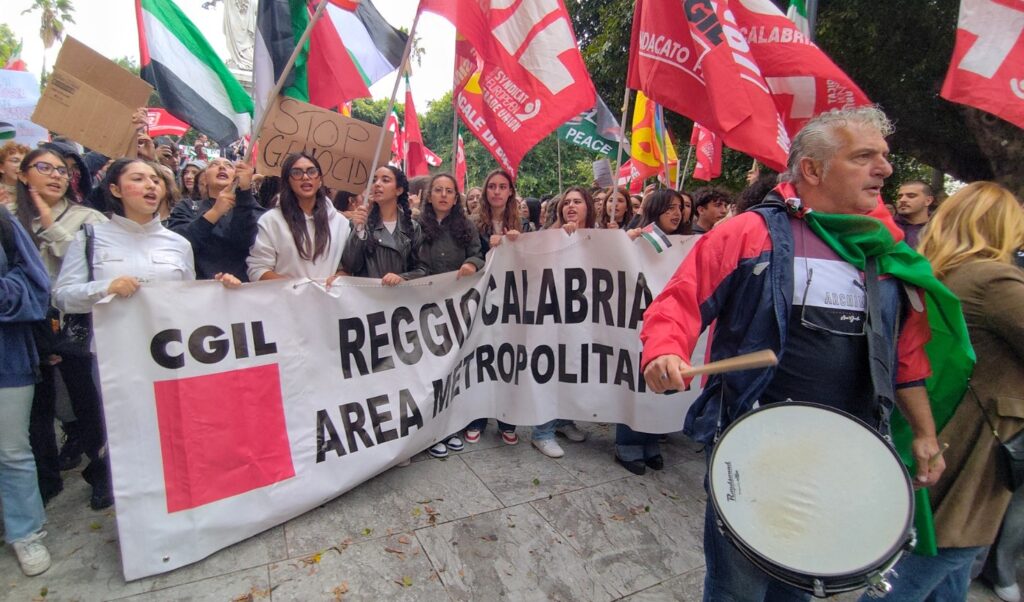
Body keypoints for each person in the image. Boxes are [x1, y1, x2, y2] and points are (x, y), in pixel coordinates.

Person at [640, 107, 946, 602]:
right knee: (737, 588)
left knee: (804, 583)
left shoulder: (888, 253)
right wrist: (663, 352)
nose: (885, 169)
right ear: (812, 169)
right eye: (864, 157)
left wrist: (926, 435)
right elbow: (679, 303)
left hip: (845, 452)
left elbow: (905, 359)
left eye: (884, 156)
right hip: (751, 445)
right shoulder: (748, 233)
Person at [864, 182, 1024, 602]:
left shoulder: (942, 268)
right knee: (942, 554)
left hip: (944, 427)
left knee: (945, 567)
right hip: (975, 443)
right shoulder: (994, 279)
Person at [53, 159, 240, 509]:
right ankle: (133, 501)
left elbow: (188, 300)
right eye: (138, 179)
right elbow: (62, 296)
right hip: (116, 357)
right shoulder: (90, 237)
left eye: (155, 179)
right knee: (125, 430)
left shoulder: (178, 243)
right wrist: (104, 288)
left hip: (169, 356)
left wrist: (219, 289)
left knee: (173, 428)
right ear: (114, 189)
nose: (151, 186)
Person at [14, 147, 108, 506]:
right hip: (21, 328)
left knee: (88, 404)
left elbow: (89, 266)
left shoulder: (88, 219)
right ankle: (41, 479)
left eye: (62, 171)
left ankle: (99, 470)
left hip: (71, 327)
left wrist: (49, 224)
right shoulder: (10, 218)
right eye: (45, 168)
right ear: (23, 175)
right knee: (37, 412)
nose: (56, 176)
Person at [410, 173, 484, 458]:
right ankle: (427, 431)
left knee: (450, 369)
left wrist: (471, 263)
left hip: (455, 309)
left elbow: (479, 254)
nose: (443, 195)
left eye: (449, 191)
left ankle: (447, 427)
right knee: (426, 371)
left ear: (456, 198)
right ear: (429, 196)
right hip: (421, 308)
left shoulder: (466, 226)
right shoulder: (416, 225)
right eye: (438, 190)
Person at [0, 205, 53, 576]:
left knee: (11, 451)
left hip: (7, 359)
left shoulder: (4, 223)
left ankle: (24, 532)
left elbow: (35, 285)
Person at [530, 186, 595, 459]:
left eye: (577, 202)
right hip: (551, 315)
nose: (571, 206)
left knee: (572, 367)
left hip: (581, 317)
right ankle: (542, 432)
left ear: (588, 207)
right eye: (567, 202)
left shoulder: (599, 236)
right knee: (551, 369)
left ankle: (563, 421)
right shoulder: (552, 234)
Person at [464, 170, 525, 445]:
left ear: (510, 191)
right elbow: (469, 256)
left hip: (512, 303)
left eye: (502, 186)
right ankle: (476, 417)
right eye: (492, 186)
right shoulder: (472, 224)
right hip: (482, 301)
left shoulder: (524, 224)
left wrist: (518, 244)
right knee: (480, 357)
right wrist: (488, 251)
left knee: (507, 359)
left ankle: (506, 419)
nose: (497, 191)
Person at [247, 152, 350, 282]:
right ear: (287, 181)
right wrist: (298, 287)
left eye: (312, 171)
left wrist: (338, 278)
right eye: (297, 173)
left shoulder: (341, 223)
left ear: (320, 180)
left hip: (326, 295)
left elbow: (346, 267)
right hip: (284, 294)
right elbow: (258, 269)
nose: (305, 177)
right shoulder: (271, 221)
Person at [167, 156, 264, 281]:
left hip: (243, 287)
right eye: (214, 164)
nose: (222, 167)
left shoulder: (249, 206)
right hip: (200, 287)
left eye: (229, 165)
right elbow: (179, 244)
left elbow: (250, 242)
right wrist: (215, 212)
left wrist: (244, 193)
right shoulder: (187, 207)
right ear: (204, 178)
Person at [340, 165, 422, 286]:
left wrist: (402, 278)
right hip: (368, 295)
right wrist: (359, 230)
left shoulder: (412, 227)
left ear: (399, 190)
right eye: (374, 180)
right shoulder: (360, 223)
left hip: (400, 296)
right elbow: (350, 265)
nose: (377, 184)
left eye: (385, 180)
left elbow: (422, 269)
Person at [895, 179, 935, 249]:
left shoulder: (940, 229)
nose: (902, 200)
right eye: (899, 197)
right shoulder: (885, 227)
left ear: (928, 201)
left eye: (911, 196)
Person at [0, 141, 30, 212]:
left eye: (25, 162)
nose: (22, 165)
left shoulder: (32, 192)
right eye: (15, 161)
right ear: (1, 168)